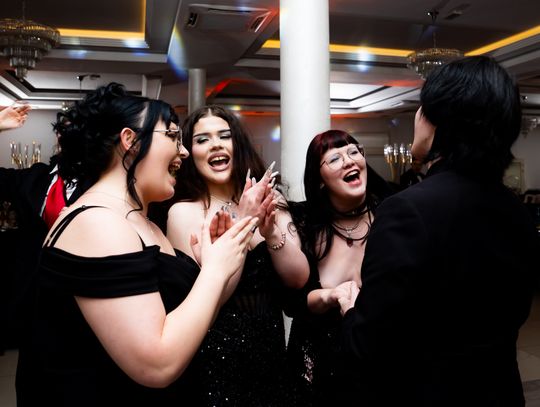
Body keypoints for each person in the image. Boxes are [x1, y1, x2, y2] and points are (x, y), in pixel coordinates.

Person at [23, 83, 259, 406]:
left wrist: (216, 262)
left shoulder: (141, 222)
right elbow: (156, 365)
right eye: (172, 136)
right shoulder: (98, 222)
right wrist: (214, 272)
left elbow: (190, 320)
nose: (184, 152)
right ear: (130, 142)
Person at [338, 56, 539, 406]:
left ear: (440, 122)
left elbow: (371, 345)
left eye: (422, 108)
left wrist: (350, 310)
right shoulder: (516, 210)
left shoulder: (408, 210)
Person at [166, 104, 309, 405]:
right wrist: (245, 223)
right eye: (202, 139)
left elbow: (298, 279)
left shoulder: (271, 199)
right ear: (190, 152)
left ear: (238, 144)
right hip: (215, 362)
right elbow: (208, 302)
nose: (215, 144)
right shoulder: (183, 213)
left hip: (273, 360)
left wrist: (271, 232)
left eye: (224, 135)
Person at [285, 130, 377, 406]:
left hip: (376, 363)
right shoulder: (302, 223)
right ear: (319, 179)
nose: (349, 161)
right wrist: (329, 296)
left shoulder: (390, 214)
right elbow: (292, 301)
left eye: (354, 152)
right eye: (335, 158)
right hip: (317, 370)